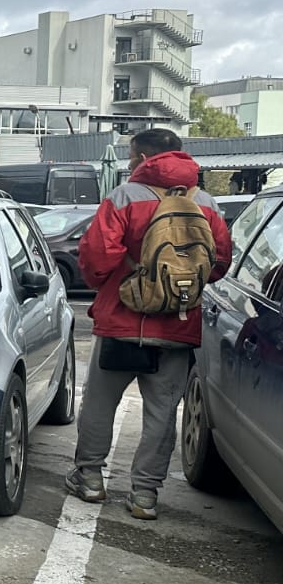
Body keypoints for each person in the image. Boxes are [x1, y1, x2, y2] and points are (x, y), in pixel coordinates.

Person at [64, 128, 232, 520]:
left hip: (122, 321)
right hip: (177, 323)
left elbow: (96, 257)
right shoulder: (206, 203)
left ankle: (89, 477)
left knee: (100, 405)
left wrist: (118, 284)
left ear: (142, 158)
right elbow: (219, 261)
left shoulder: (123, 197)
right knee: (161, 412)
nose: (127, 163)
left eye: (130, 156)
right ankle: (145, 496)